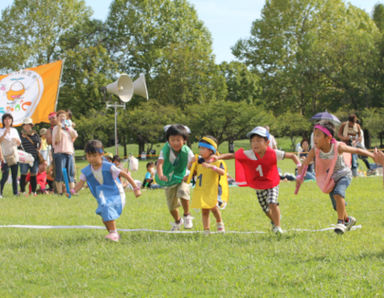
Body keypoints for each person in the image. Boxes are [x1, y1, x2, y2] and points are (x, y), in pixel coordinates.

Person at [215, 126, 300, 234]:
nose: (255, 143)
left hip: (272, 183)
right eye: (253, 141)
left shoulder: (273, 153)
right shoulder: (249, 154)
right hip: (258, 185)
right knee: (266, 209)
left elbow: (292, 155)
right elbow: (232, 155)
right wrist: (218, 157)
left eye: (259, 140)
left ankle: (278, 227)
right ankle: (274, 220)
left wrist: (299, 165)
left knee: (272, 202)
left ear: (267, 142)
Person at [297, 121, 375, 234]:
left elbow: (357, 150)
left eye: (318, 135)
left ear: (328, 137)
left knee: (338, 193)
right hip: (330, 179)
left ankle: (341, 222)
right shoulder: (315, 150)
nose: (315, 138)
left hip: (343, 174)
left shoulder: (337, 147)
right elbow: (306, 163)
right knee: (336, 206)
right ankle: (348, 220)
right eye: (314, 135)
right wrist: (301, 171)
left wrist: (373, 155)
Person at [69, 140, 141, 242]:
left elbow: (125, 174)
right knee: (104, 216)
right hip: (102, 195)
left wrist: (136, 188)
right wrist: (72, 191)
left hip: (116, 194)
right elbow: (80, 183)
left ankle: (114, 233)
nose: (91, 159)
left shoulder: (109, 167)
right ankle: (113, 234)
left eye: (94, 156)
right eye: (89, 156)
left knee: (107, 208)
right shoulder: (87, 170)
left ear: (101, 154)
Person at [155, 124, 194, 231]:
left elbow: (194, 163)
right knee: (172, 206)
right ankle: (178, 221)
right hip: (169, 179)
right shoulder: (165, 149)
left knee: (183, 191)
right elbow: (160, 163)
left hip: (182, 177)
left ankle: (187, 215)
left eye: (178, 140)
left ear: (184, 140)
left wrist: (190, 174)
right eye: (172, 140)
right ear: (168, 140)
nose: (175, 143)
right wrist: (160, 174)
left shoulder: (187, 151)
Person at [187, 136, 228, 233]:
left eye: (203, 149)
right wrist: (191, 162)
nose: (200, 151)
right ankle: (206, 229)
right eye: (199, 148)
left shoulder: (217, 161)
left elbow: (222, 172)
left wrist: (211, 167)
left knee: (213, 207)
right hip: (202, 189)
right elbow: (191, 170)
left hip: (213, 190)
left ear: (211, 151)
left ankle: (219, 222)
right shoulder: (199, 161)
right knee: (204, 210)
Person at [52, 110, 78, 195]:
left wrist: (68, 128)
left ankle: (72, 191)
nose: (62, 118)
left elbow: (75, 135)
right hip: (59, 153)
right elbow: (56, 141)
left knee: (71, 173)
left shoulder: (69, 127)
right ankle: (59, 192)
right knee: (59, 173)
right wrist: (59, 127)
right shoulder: (56, 128)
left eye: (64, 116)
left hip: (69, 152)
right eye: (60, 116)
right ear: (57, 118)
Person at [0, 113, 21, 197]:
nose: (7, 121)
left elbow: (19, 143)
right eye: (5, 119)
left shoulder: (14, 130)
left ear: (12, 121)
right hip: (5, 155)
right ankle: (0, 192)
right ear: (3, 121)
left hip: (14, 155)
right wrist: (4, 134)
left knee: (15, 175)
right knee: (5, 175)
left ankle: (15, 193)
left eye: (9, 119)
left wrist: (16, 140)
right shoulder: (1, 130)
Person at [19, 117, 41, 196]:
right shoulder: (20, 135)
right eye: (26, 125)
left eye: (29, 125)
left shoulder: (35, 135)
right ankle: (22, 191)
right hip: (24, 158)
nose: (27, 126)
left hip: (34, 157)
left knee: (33, 175)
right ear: (23, 126)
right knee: (23, 174)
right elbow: (18, 145)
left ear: (32, 125)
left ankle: (33, 192)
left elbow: (39, 144)